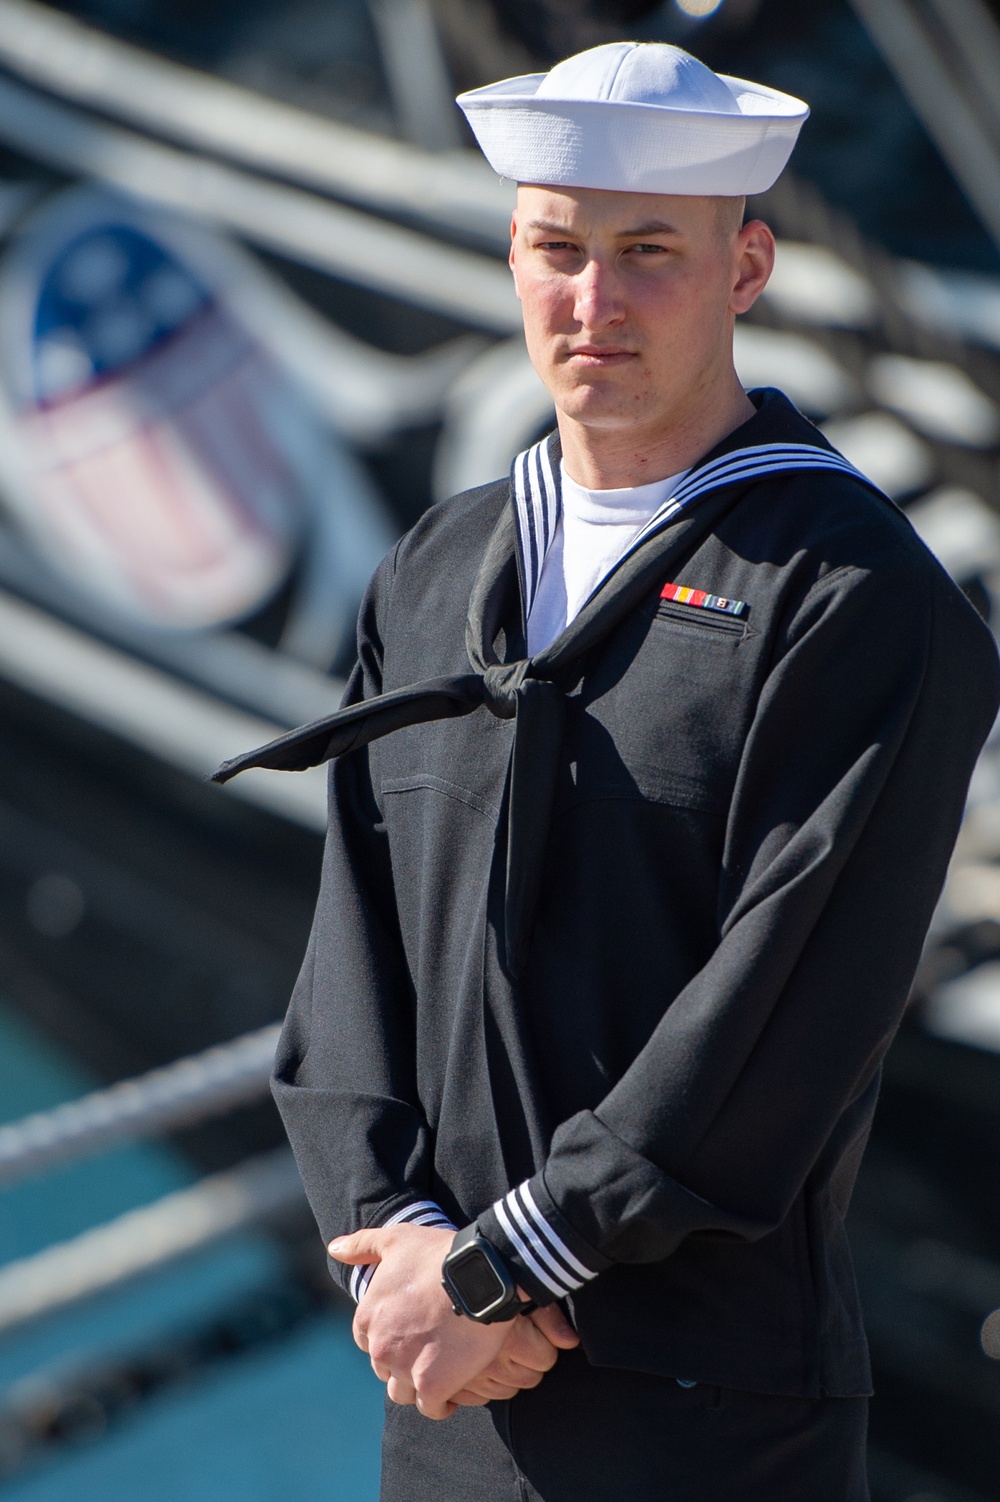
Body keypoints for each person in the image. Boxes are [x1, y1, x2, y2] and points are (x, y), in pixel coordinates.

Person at [214, 41, 1000, 1502]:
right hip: (451, 1389)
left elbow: (779, 1018)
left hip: (703, 1414)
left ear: (748, 266)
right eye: (557, 249)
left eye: (650, 253)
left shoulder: (853, 599)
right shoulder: (439, 568)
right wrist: (396, 1246)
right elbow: (349, 959)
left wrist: (505, 1266)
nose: (595, 302)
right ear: (513, 255)